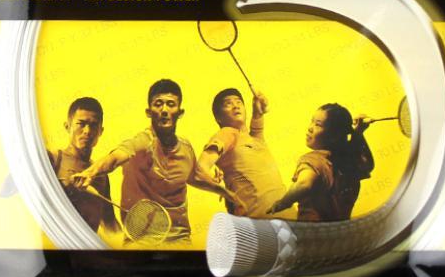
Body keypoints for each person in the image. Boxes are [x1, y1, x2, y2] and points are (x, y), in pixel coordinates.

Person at [72, 79, 232, 244]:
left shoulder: (185, 148)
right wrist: (90, 172)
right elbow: (114, 158)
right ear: (149, 112)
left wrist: (226, 193)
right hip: (140, 240)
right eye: (158, 104)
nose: (164, 110)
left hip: (180, 238)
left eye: (170, 104)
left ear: (180, 112)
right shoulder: (141, 143)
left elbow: (195, 177)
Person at [267, 103, 375, 221]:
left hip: (312, 229)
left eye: (318, 124)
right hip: (340, 230)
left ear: (333, 136)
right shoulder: (351, 163)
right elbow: (368, 163)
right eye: (312, 121)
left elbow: (304, 184)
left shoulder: (314, 160)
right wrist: (358, 133)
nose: (310, 128)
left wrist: (283, 203)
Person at [195, 87, 286, 219]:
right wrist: (219, 188)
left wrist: (258, 109)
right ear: (218, 118)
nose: (235, 106)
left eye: (239, 102)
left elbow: (257, 127)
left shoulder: (255, 139)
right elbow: (200, 169)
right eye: (228, 104)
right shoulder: (227, 133)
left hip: (288, 220)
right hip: (259, 223)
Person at [48, 97, 119, 235]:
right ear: (67, 126)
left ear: (101, 131)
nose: (87, 131)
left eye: (93, 125)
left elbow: (110, 224)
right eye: (81, 124)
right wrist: (65, 188)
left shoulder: (101, 175)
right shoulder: (53, 159)